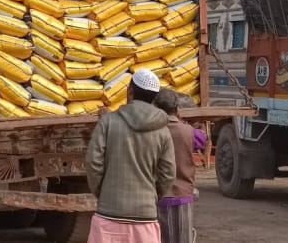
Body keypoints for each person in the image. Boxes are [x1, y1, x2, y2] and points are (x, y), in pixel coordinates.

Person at [85, 69, 176, 243]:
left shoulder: (108, 122)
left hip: (108, 215)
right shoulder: (163, 132)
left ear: (129, 91)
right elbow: (168, 174)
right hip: (145, 219)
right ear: (154, 98)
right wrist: (151, 195)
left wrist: (103, 192)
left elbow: (93, 163)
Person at [153, 89, 207, 243]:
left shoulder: (151, 131)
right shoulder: (188, 131)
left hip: (158, 197)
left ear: (156, 109)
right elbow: (202, 140)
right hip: (183, 197)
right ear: (177, 109)